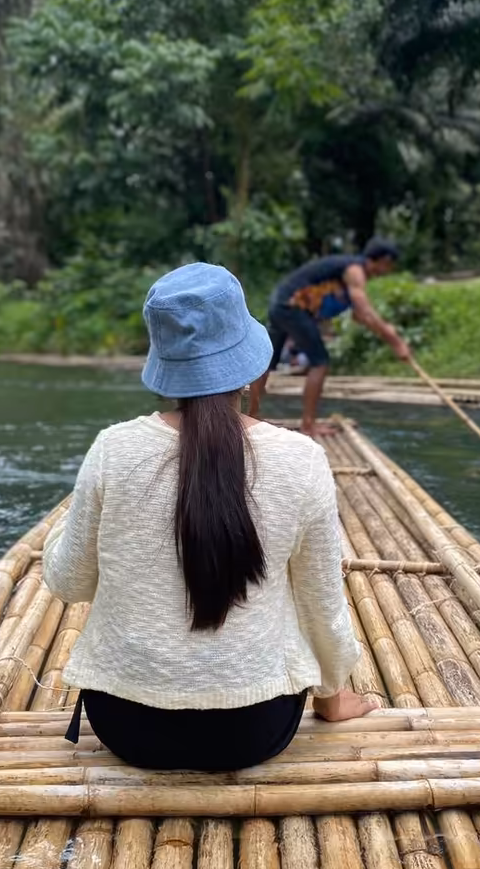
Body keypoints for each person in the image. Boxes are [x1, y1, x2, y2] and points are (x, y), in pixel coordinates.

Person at [42, 262, 373, 772]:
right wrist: (331, 694)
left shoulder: (113, 449)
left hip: (127, 727)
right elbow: (320, 601)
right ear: (250, 362)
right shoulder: (301, 459)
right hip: (254, 728)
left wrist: (60, 532)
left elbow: (70, 582)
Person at [249, 236, 412, 437]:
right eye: (389, 265)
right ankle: (308, 424)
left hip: (281, 304)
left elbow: (360, 316)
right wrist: (395, 341)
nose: (388, 271)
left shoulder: (352, 275)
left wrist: (386, 333)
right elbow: (365, 312)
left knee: (266, 363)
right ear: (382, 261)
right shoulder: (355, 270)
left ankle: (252, 417)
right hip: (293, 307)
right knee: (320, 363)